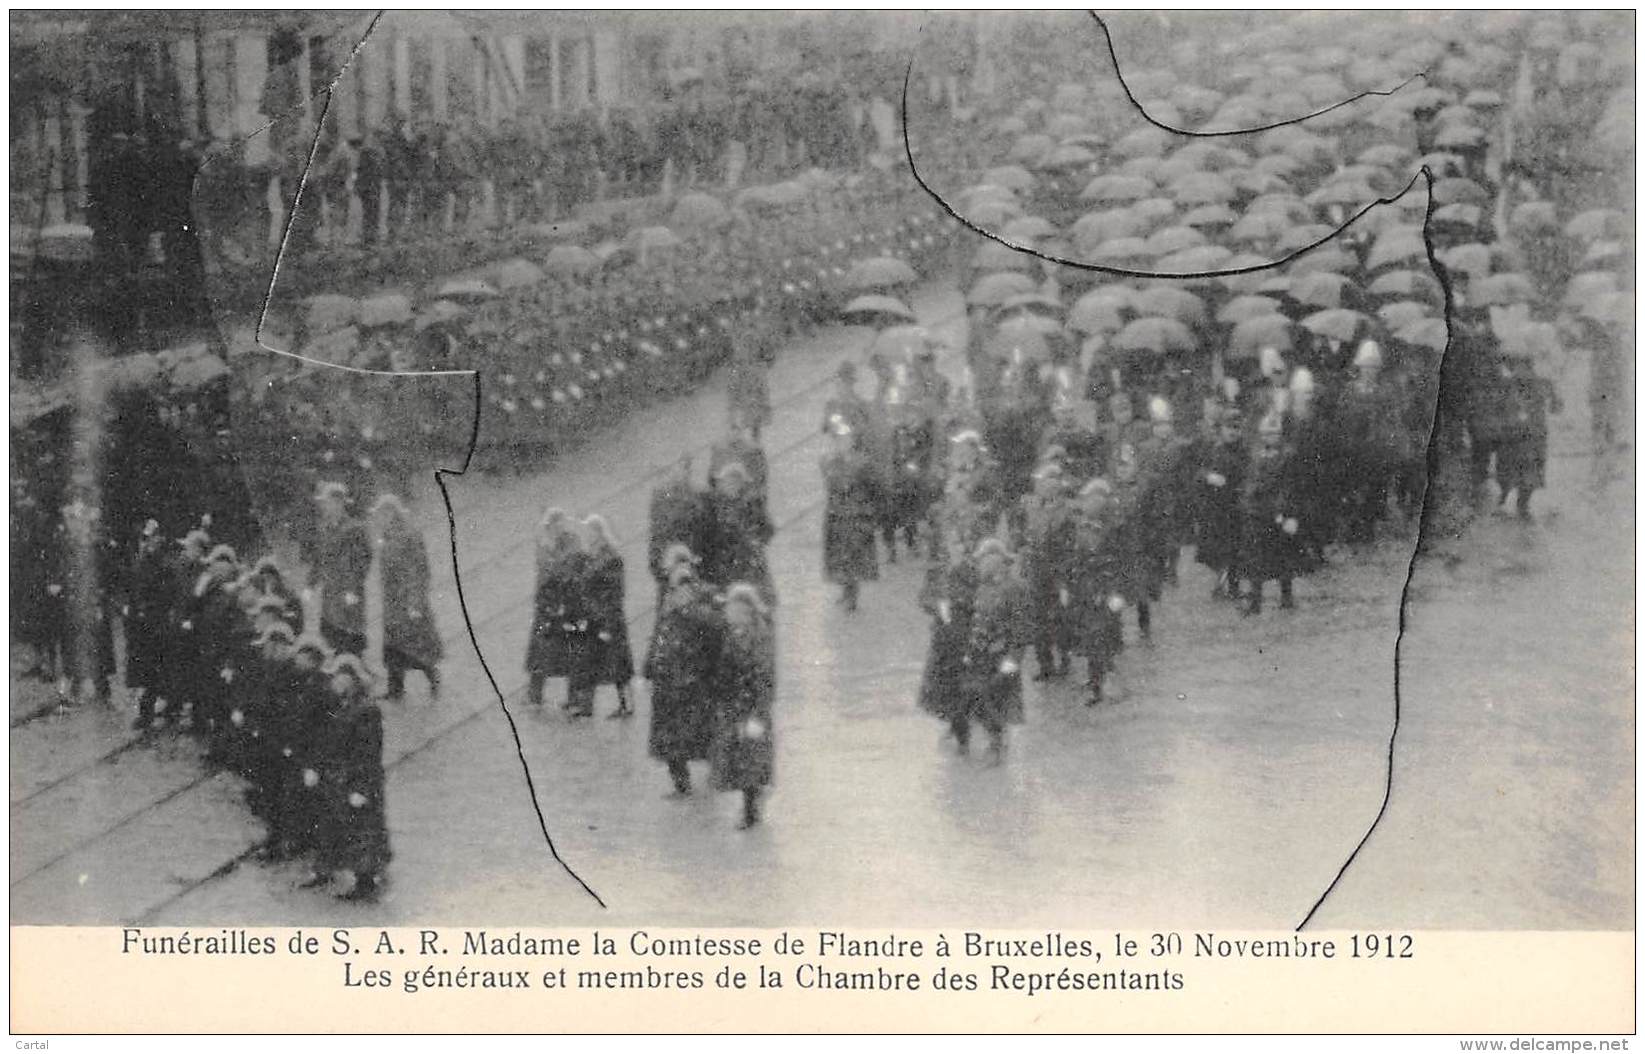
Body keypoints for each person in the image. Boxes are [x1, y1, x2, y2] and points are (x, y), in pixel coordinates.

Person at [310, 653, 390, 901]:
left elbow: (368, 753)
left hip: (357, 779)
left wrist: (362, 788)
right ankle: (326, 870)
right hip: (337, 778)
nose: (336, 681)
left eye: (341, 677)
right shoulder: (340, 705)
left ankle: (366, 882)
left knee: (361, 831)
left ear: (353, 680)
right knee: (332, 826)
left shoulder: (366, 710)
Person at [644, 551, 724, 797]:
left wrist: (690, 608)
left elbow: (716, 628)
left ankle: (716, 774)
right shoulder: (668, 598)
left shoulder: (706, 595)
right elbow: (660, 632)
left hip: (693, 679)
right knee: (670, 740)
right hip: (668, 678)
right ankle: (681, 784)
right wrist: (649, 666)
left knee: (702, 732)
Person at [709, 582, 777, 828]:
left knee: (750, 760)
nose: (729, 613)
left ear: (745, 610)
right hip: (735, 706)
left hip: (750, 707)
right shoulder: (734, 633)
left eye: (733, 609)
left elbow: (764, 677)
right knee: (742, 760)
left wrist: (758, 714)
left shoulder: (757, 636)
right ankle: (752, 805)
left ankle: (750, 812)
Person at [959, 538, 1030, 764]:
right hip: (980, 654)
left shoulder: (1015, 588)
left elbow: (1022, 628)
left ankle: (997, 745)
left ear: (997, 561)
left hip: (1002, 654)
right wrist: (969, 650)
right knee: (977, 698)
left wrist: (1014, 658)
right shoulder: (982, 588)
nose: (980, 565)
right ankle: (994, 740)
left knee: (997, 700)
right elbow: (977, 621)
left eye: (984, 560)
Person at [373, 495, 442, 701]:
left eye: (384, 514)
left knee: (415, 643)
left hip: (407, 601)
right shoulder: (387, 536)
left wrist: (414, 602)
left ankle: (432, 676)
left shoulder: (409, 535)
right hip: (393, 602)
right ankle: (395, 689)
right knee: (393, 646)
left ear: (394, 513)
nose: (380, 518)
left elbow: (418, 570)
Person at [1068, 478, 1127, 704]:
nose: (1084, 503)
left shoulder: (1115, 528)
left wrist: (1116, 593)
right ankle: (1099, 678)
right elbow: (1075, 559)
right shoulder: (1081, 525)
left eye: (1089, 499)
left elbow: (1123, 563)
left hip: (1106, 590)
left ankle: (1098, 685)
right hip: (1085, 590)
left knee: (1101, 637)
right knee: (1091, 637)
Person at [1020, 461, 1074, 679]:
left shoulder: (1068, 511)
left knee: (1061, 618)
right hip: (1036, 568)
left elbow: (1071, 545)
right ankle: (1045, 665)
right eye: (1042, 483)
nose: (1046, 487)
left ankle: (1065, 660)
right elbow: (1025, 535)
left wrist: (1065, 576)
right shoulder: (1031, 508)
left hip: (1059, 570)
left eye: (1051, 483)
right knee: (1037, 619)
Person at [525, 509, 583, 709]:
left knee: (571, 653)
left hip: (567, 606)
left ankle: (574, 699)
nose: (555, 529)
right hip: (547, 605)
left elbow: (564, 570)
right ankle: (535, 695)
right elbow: (544, 572)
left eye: (557, 524)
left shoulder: (571, 544)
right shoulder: (545, 545)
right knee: (540, 653)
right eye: (551, 526)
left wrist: (549, 555)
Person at [580, 514, 636, 719]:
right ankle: (585, 706)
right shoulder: (592, 555)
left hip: (608, 617)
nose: (587, 535)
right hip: (594, 617)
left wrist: (606, 620)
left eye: (590, 531)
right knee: (590, 661)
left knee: (618, 665)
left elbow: (615, 591)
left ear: (598, 532)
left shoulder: (611, 557)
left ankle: (626, 704)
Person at [820, 423, 880, 612]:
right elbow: (829, 483)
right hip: (837, 515)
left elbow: (875, 488)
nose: (841, 443)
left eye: (845, 440)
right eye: (838, 440)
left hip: (857, 515)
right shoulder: (831, 461)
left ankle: (852, 595)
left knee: (854, 555)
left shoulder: (863, 462)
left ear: (853, 441)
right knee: (839, 556)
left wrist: (869, 510)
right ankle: (845, 590)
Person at [308, 481, 372, 657]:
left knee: (351, 633)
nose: (325, 507)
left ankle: (355, 667)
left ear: (339, 503)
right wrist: (310, 584)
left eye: (328, 503)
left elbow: (362, 562)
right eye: (323, 503)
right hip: (330, 592)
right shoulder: (324, 530)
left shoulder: (354, 529)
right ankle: (346, 667)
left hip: (349, 591)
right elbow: (319, 559)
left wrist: (352, 589)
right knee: (333, 634)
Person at [1494, 354, 1560, 517]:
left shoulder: (1507, 382)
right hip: (1532, 433)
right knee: (1528, 469)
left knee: (1510, 466)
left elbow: (1497, 406)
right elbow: (1556, 407)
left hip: (1516, 432)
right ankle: (1521, 504)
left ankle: (1507, 499)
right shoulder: (1542, 381)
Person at [647, 455, 706, 607]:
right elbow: (655, 536)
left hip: (688, 565)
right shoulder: (659, 499)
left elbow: (702, 533)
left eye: (683, 469)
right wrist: (657, 566)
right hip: (669, 567)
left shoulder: (697, 497)